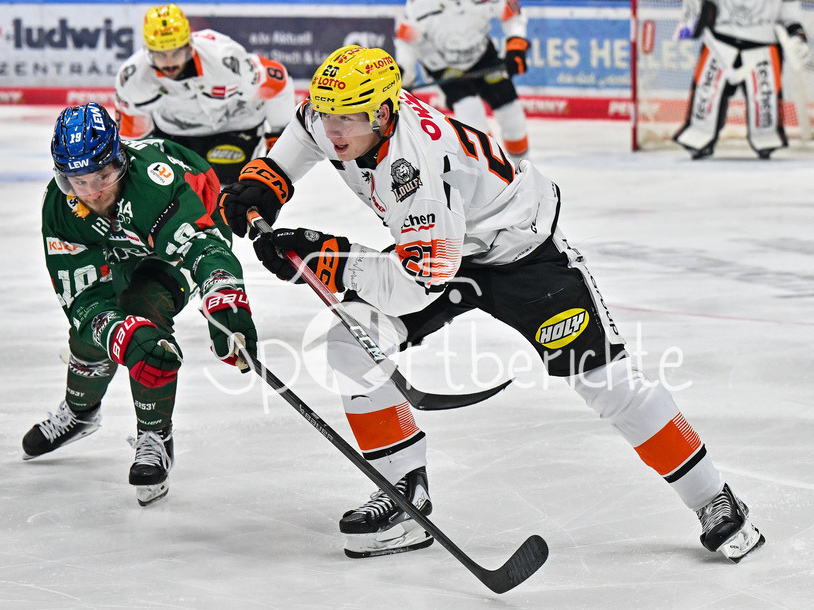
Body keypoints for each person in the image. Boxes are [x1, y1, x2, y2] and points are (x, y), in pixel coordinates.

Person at [217, 45, 765, 562]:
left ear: (384, 114)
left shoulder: (416, 173)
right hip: (442, 244)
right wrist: (265, 185)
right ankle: (405, 496)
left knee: (606, 381)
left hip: (523, 256)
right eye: (326, 113)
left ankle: (715, 498)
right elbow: (303, 135)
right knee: (350, 344)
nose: (333, 129)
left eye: (349, 119)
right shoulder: (338, 116)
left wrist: (325, 257)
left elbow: (417, 283)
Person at [22, 102, 257, 507]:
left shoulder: (154, 183)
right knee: (99, 332)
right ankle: (80, 412)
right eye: (78, 181)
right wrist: (116, 335)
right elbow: (81, 296)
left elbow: (202, 247)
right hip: (119, 247)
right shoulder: (60, 208)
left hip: (176, 242)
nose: (94, 191)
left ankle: (155, 435)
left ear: (120, 161)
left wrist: (223, 297)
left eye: (104, 175)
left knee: (143, 315)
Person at [114, 4, 295, 185]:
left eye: (176, 52)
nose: (169, 63)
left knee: (235, 197)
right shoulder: (132, 79)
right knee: (176, 196)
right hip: (176, 133)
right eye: (160, 55)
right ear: (148, 51)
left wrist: (278, 137)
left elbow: (277, 80)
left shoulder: (223, 59)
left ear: (189, 46)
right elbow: (132, 139)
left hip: (236, 127)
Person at [393, 0, 532, 163]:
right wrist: (404, 72)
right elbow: (407, 42)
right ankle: (498, 172)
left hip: (482, 55)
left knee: (511, 113)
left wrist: (516, 45)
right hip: (441, 64)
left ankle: (523, 169)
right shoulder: (420, 4)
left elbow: (511, 14)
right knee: (471, 114)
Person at [673, 0, 808, 159]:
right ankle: (700, 133)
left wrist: (795, 32)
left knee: (765, 121)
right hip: (719, 40)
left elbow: (789, 12)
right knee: (705, 102)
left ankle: (765, 136)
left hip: (763, 45)